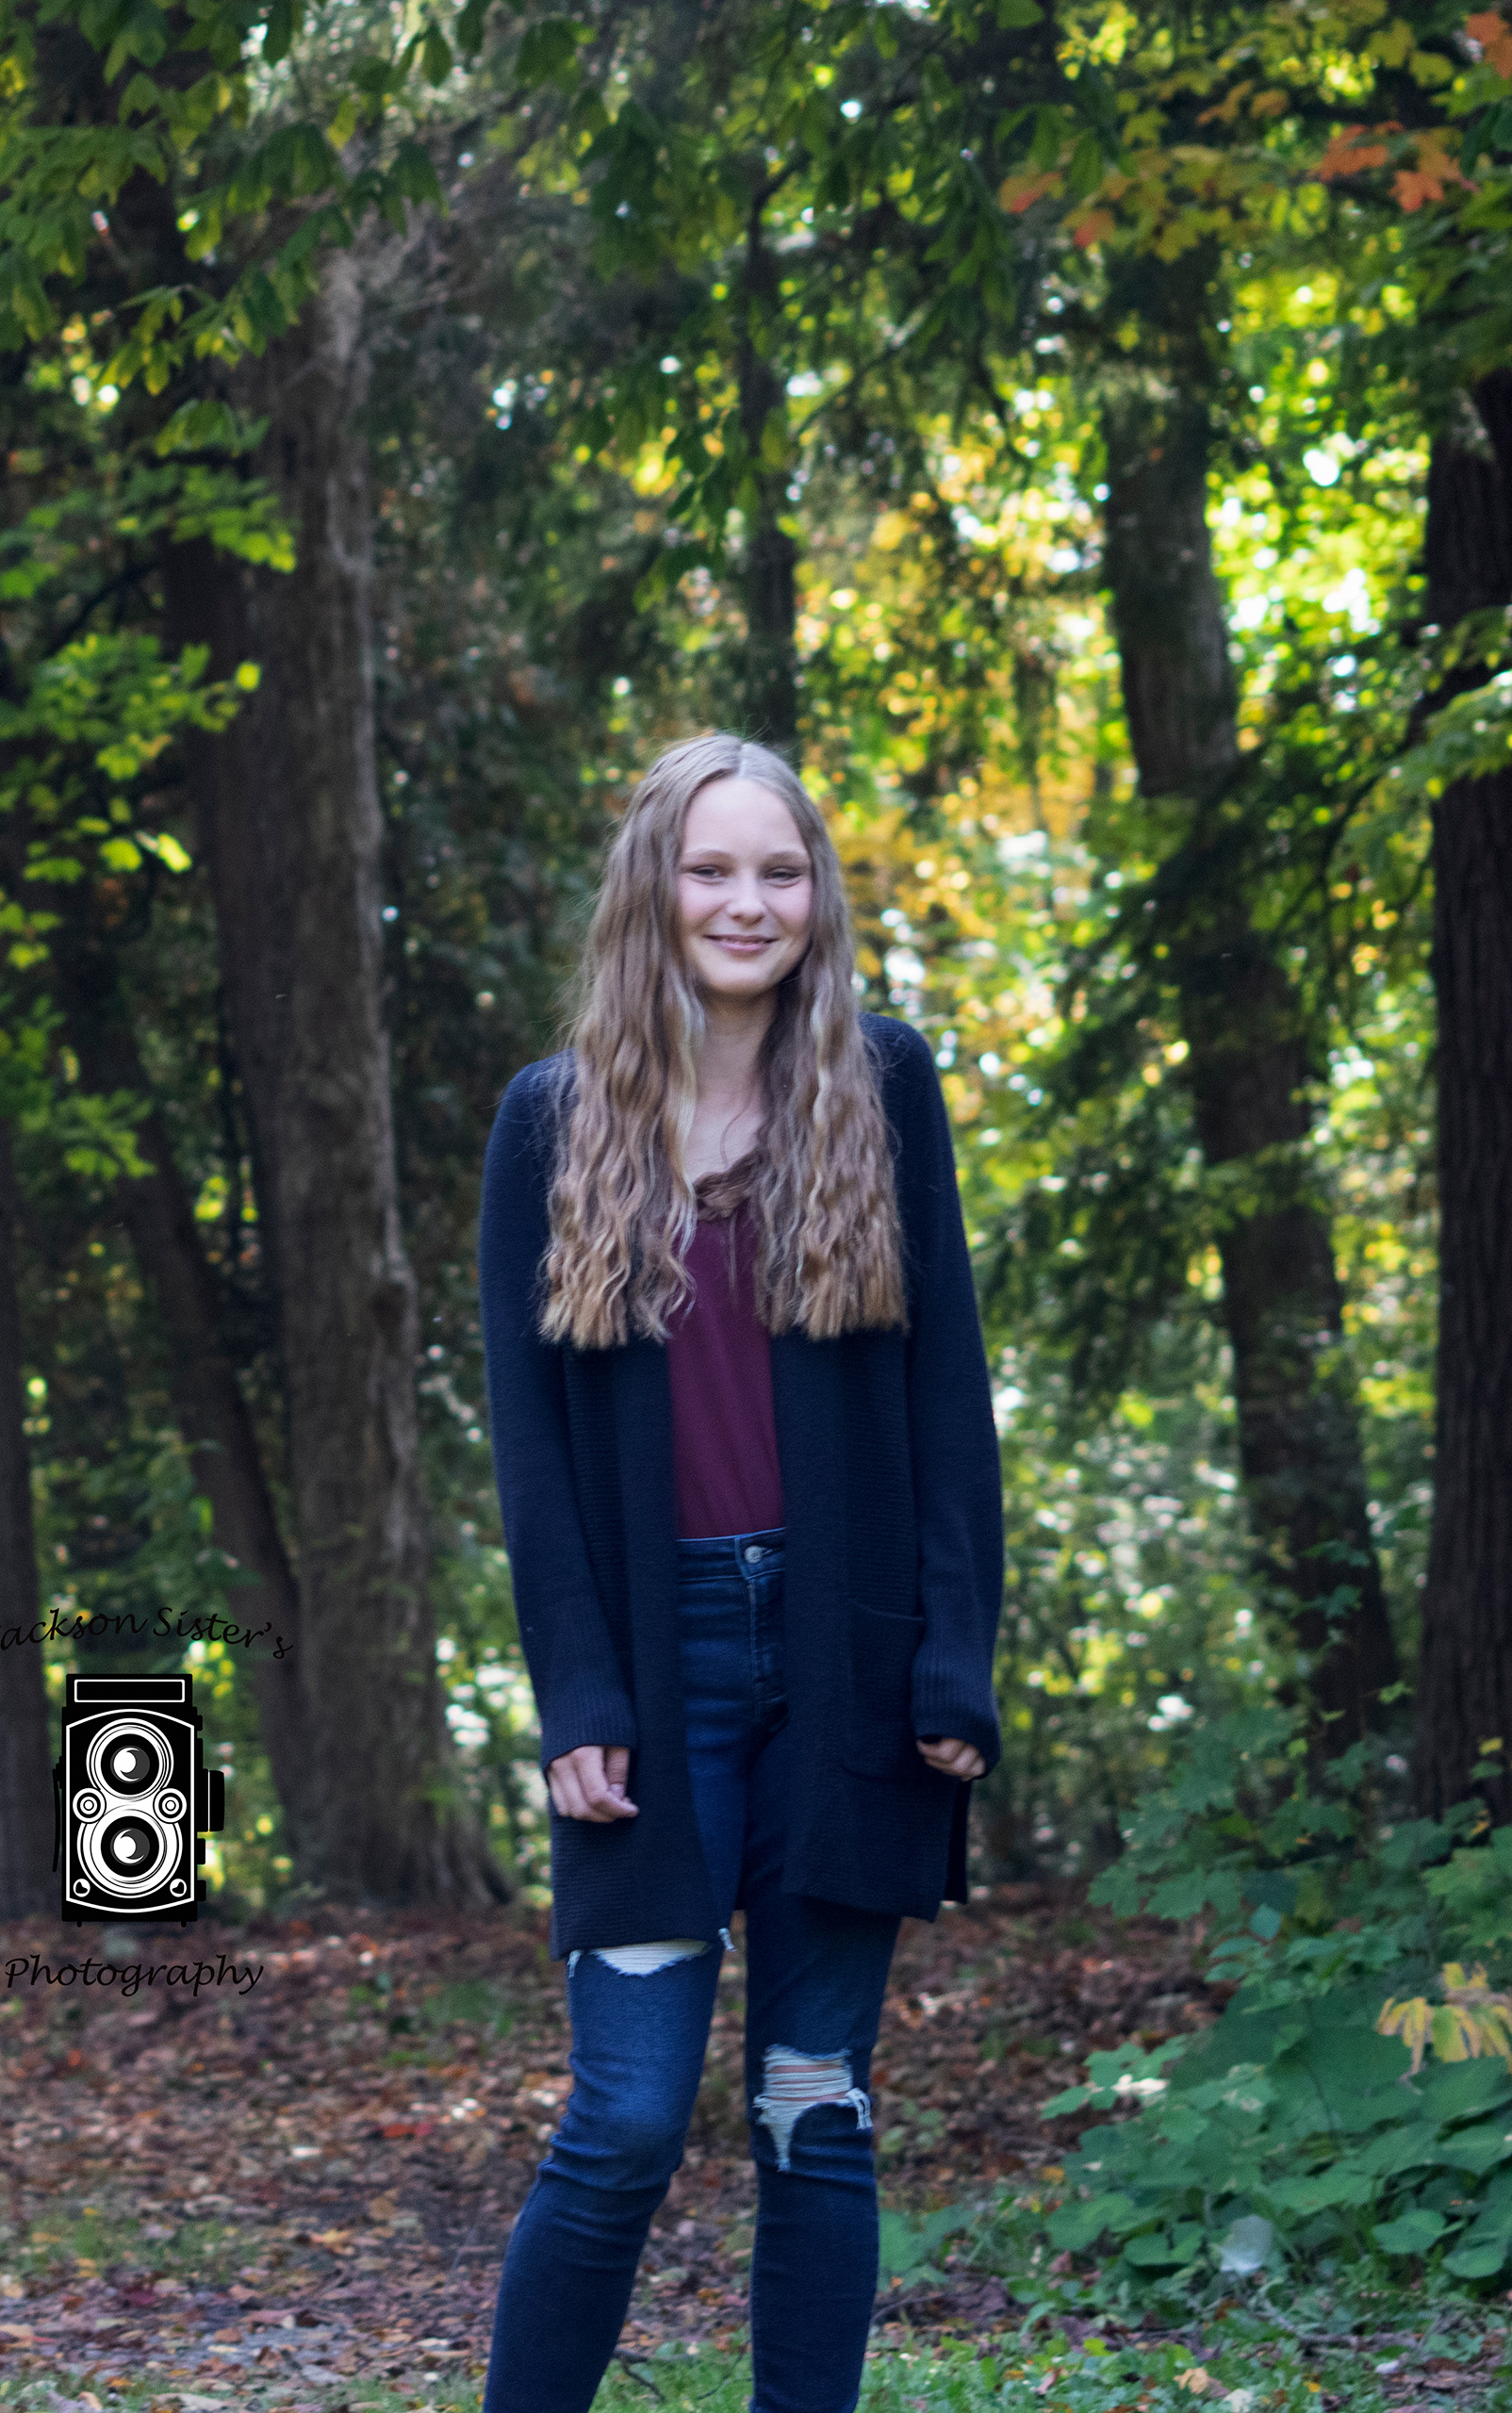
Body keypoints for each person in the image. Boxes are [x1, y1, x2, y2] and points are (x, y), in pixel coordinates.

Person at [472, 735, 1003, 2413]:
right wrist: (578, 1694)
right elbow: (531, 1444)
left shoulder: (883, 1085)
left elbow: (946, 1392)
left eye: (781, 871)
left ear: (819, 897)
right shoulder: (553, 1120)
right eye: (713, 869)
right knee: (626, 2120)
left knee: (812, 2106)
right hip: (658, 1672)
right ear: (655, 888)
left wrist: (955, 1657)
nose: (747, 902)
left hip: (850, 1665)